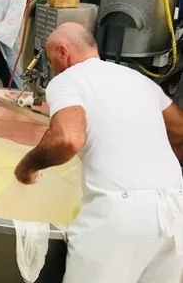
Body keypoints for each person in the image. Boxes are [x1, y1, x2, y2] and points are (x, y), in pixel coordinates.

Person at [14, 23, 183, 283]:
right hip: (174, 209)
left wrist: (28, 166)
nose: (51, 68)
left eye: (50, 60)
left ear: (63, 52)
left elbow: (67, 140)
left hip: (119, 215)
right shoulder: (139, 81)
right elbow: (180, 132)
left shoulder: (68, 80)